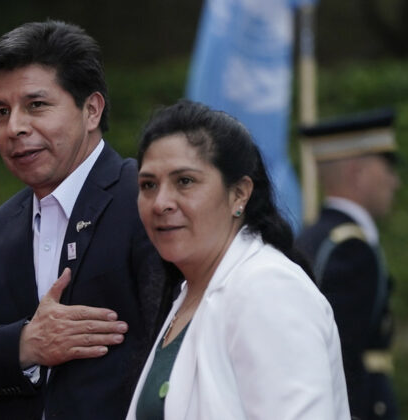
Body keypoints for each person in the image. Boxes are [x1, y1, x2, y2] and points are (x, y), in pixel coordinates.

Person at [0, 20, 173, 419]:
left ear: (91, 110)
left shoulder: (147, 201)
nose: (15, 127)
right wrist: (25, 343)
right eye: (0, 112)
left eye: (36, 105)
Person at [126, 100, 350, 419]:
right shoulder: (188, 292)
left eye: (185, 181)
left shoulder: (267, 287)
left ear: (239, 194)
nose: (160, 202)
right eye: (148, 185)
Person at [295, 108, 400, 420]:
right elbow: (342, 356)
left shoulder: (312, 238)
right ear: (358, 173)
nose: (396, 182)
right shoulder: (349, 248)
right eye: (388, 169)